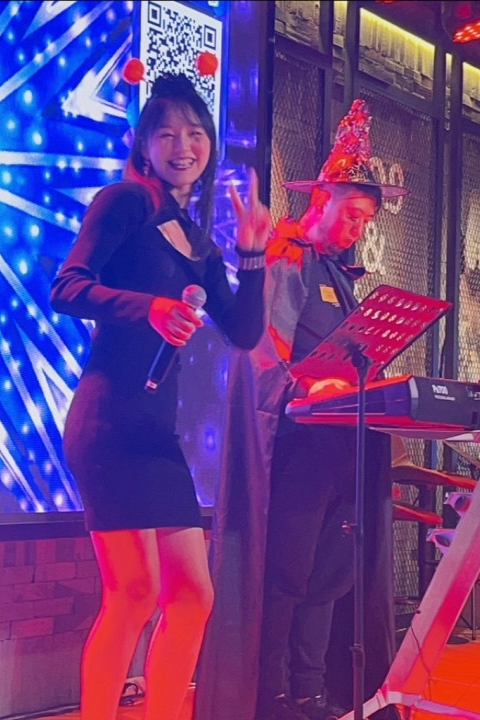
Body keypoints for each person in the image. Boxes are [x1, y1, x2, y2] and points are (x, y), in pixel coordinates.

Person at [50, 73, 272, 720]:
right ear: (144, 143)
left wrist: (252, 255)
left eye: (196, 134)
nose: (184, 146)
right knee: (133, 593)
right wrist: (148, 307)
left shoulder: (198, 241)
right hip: (109, 421)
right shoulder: (124, 201)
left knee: (193, 597)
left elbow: (244, 332)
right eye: (167, 133)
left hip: (157, 434)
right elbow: (67, 287)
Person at [194, 99, 409, 720]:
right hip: (297, 449)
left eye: (366, 221)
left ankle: (312, 694)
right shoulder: (287, 260)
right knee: (288, 575)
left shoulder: (341, 277)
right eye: (352, 215)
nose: (358, 229)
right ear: (321, 201)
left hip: (341, 445)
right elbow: (262, 354)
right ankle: (273, 697)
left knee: (330, 577)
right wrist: (304, 390)